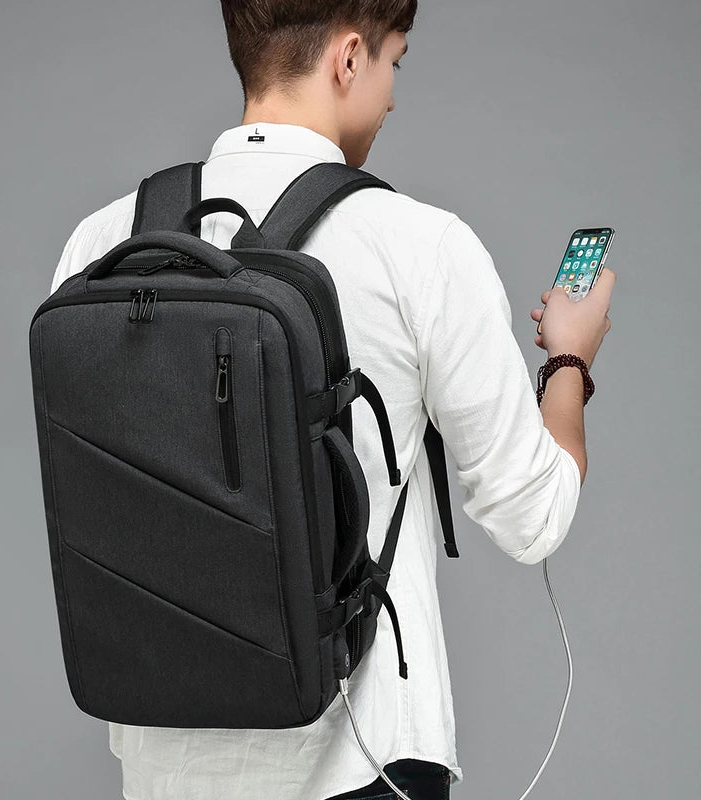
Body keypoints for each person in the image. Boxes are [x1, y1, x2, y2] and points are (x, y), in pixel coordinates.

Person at [48, 2, 616, 798]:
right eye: (394, 62)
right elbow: (534, 515)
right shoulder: (420, 246)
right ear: (349, 58)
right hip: (361, 756)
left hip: (163, 763)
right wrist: (569, 359)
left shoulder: (104, 243)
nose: (393, 97)